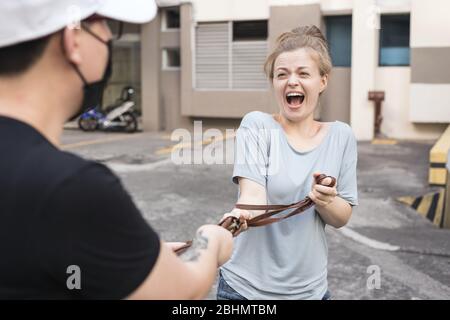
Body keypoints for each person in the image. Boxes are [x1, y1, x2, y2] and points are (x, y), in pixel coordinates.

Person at [0, 0, 232, 300]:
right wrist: (211, 241)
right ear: (74, 40)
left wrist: (129, 256)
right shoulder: (71, 188)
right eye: (107, 25)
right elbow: (181, 292)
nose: (109, 37)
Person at [218, 25, 358, 300]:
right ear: (274, 83)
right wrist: (240, 215)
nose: (291, 81)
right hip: (244, 291)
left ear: (323, 81)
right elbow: (253, 196)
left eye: (303, 73)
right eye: (282, 75)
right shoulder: (257, 125)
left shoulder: (341, 135)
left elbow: (342, 217)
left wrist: (327, 200)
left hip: (310, 292)